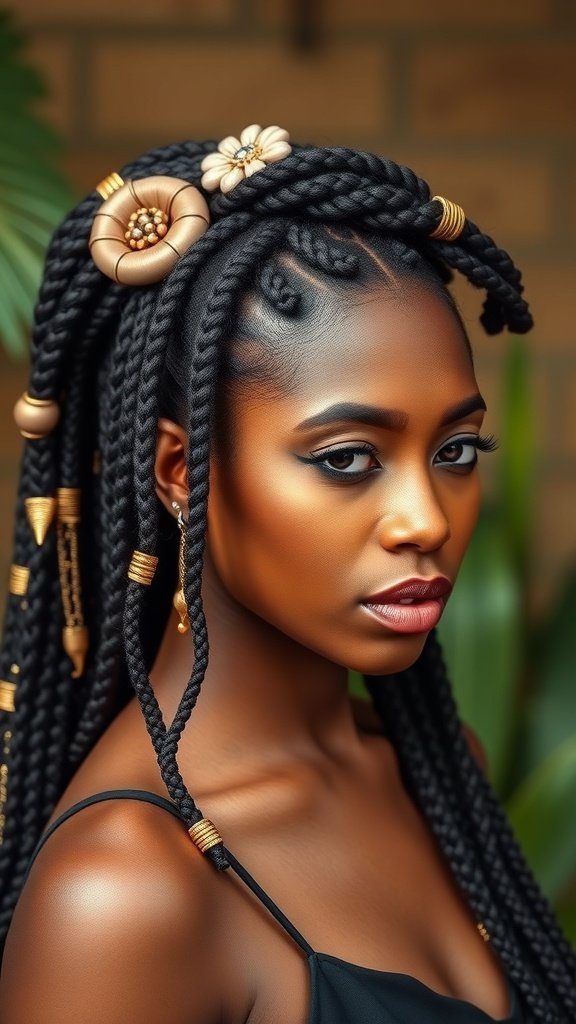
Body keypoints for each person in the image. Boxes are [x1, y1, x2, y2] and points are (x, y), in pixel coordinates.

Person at [0, 125, 573, 1024]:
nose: (426, 518)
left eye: (457, 449)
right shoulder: (125, 891)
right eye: (348, 458)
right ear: (182, 472)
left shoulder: (436, 769)